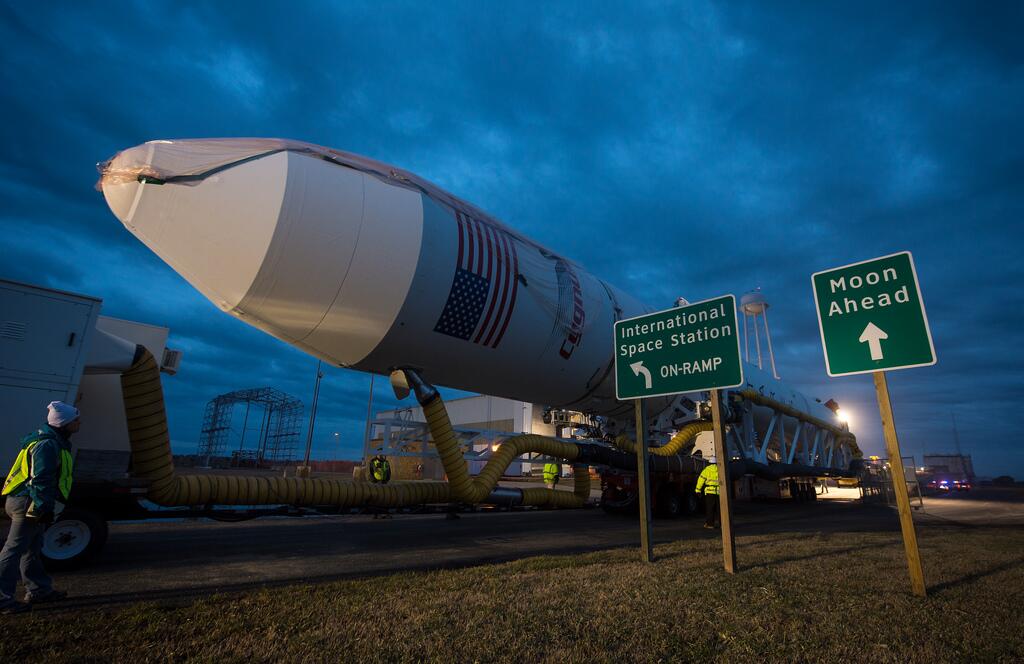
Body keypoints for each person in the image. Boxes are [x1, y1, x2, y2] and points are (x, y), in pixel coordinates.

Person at [0, 401, 79, 614]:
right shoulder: (46, 445)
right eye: (75, 420)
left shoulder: (54, 442)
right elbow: (40, 479)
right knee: (13, 549)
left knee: (32, 548)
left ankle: (39, 590)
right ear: (64, 423)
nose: (78, 423)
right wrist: (42, 508)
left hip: (31, 500)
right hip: (28, 501)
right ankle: (2, 599)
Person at [695, 456, 720, 529]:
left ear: (709, 463)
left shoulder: (707, 470)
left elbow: (701, 480)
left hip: (710, 492)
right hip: (719, 492)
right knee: (720, 510)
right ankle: (723, 524)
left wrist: (698, 490)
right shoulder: (720, 469)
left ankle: (710, 524)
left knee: (710, 509)